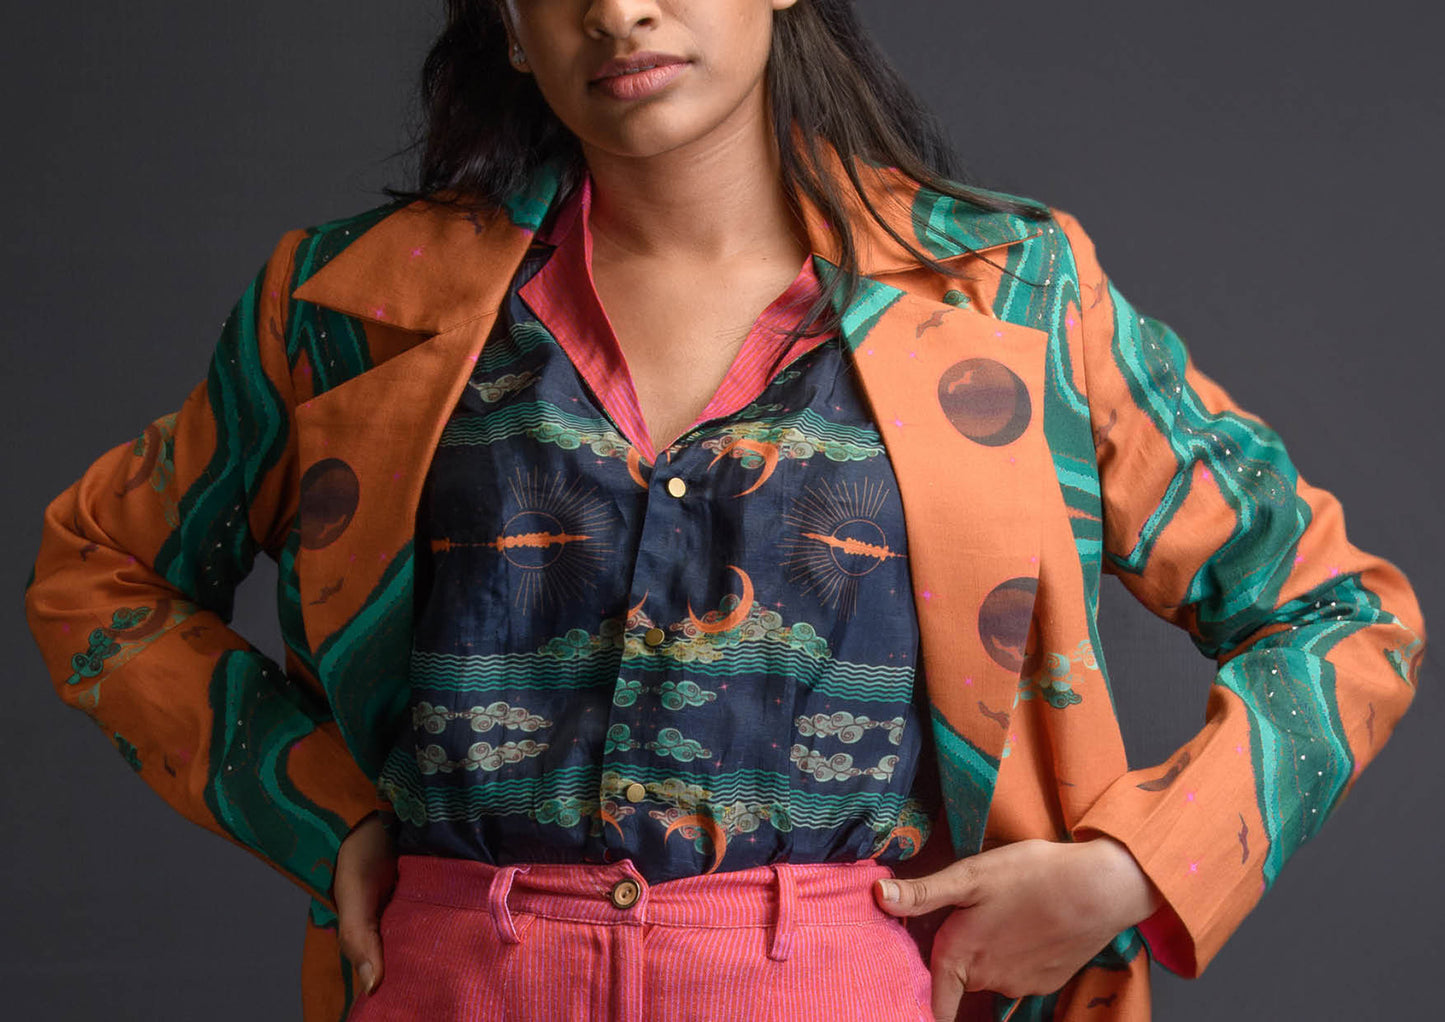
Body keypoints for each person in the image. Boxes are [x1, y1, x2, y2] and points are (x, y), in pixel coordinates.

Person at [21, 2, 1426, 1021]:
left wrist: (1133, 870)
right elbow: (96, 568)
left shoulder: (1014, 297)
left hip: (849, 980)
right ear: (508, 26)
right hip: (453, 979)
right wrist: (315, 813)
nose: (617, 11)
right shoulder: (347, 308)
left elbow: (1341, 610)